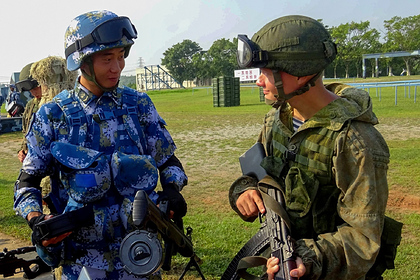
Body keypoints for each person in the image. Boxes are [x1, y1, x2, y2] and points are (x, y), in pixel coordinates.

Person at [14, 10, 188, 280]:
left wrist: (173, 190)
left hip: (140, 257)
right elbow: (28, 181)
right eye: (107, 59)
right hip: (82, 264)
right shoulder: (54, 115)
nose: (117, 68)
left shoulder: (139, 105)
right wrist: (36, 219)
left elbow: (168, 161)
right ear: (82, 62)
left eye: (120, 57)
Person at [230, 15, 401, 280]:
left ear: (300, 73)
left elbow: (363, 238)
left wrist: (308, 259)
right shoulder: (278, 120)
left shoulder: (355, 141)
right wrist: (245, 190)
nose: (258, 81)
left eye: (266, 70)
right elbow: (259, 173)